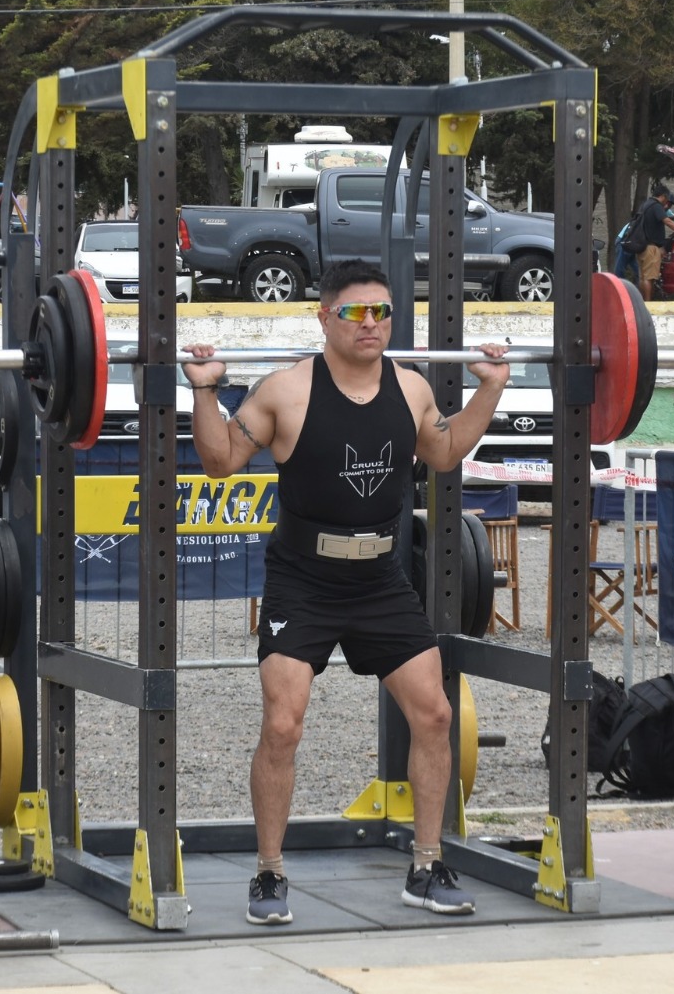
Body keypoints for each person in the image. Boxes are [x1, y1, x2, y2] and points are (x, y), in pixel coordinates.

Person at [182, 259, 510, 925]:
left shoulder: (413, 388)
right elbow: (219, 461)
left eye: (382, 312)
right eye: (356, 312)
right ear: (324, 316)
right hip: (303, 579)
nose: (372, 324)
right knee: (283, 723)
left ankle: (425, 864)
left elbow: (444, 453)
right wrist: (204, 392)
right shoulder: (285, 390)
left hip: (381, 579)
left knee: (436, 714)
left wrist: (490, 391)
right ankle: (270, 873)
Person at [637, 184, 674, 300]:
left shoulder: (645, 205)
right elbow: (667, 221)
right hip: (651, 248)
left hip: (642, 247)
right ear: (663, 196)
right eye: (666, 199)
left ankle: (643, 303)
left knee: (643, 277)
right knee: (649, 278)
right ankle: (648, 305)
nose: (666, 203)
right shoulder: (656, 206)